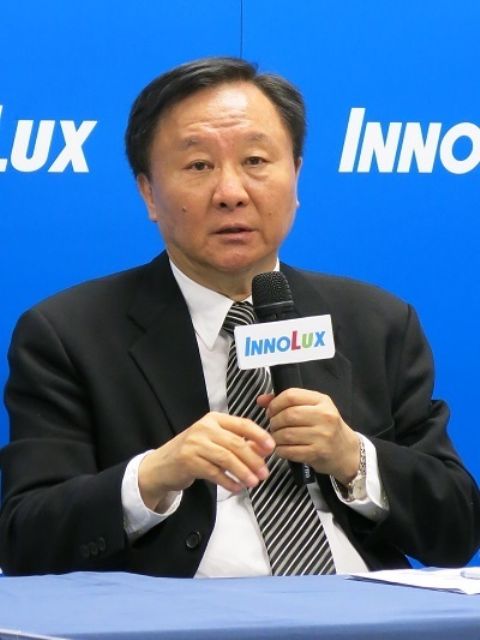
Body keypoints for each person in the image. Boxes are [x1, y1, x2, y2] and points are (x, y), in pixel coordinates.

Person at [0, 57, 479, 577]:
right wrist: (153, 476)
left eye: (255, 160)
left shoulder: (375, 321)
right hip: (181, 612)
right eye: (198, 166)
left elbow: (457, 531)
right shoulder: (69, 335)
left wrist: (354, 458)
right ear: (149, 193)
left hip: (359, 606)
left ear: (295, 175)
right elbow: (26, 539)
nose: (231, 193)